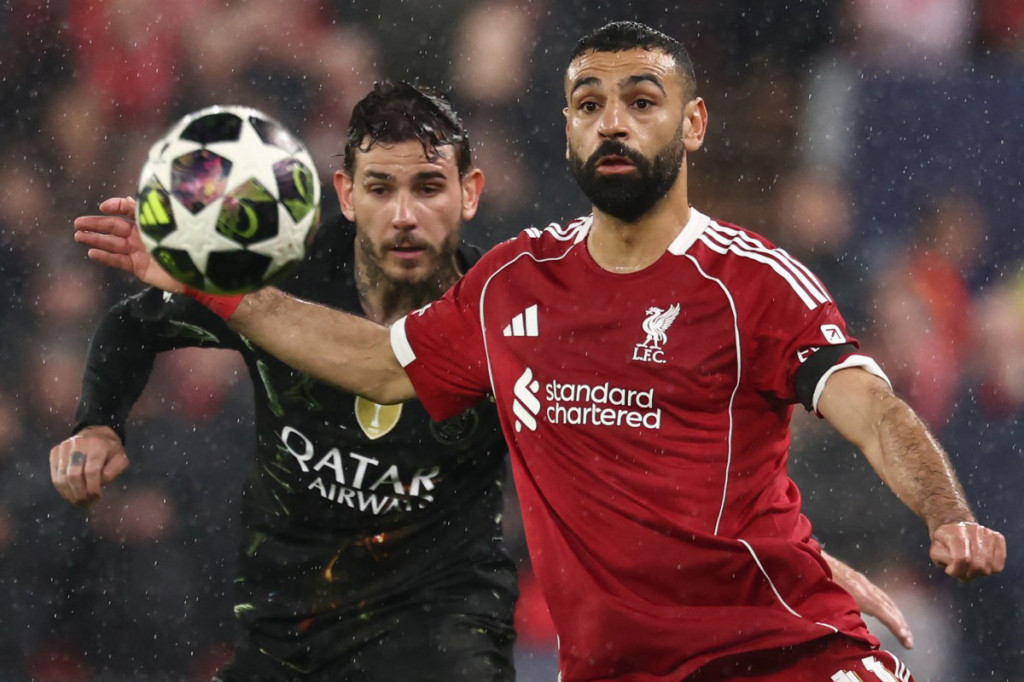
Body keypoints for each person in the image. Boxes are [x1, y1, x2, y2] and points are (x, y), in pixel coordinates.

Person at [67, 27, 978, 677]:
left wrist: (944, 515)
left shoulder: (755, 283)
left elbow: (873, 410)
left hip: (776, 655)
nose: (613, 122)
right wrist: (217, 287)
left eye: (641, 102)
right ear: (568, 128)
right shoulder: (512, 285)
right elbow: (382, 362)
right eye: (590, 105)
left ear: (694, 125)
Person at [51, 82, 516, 681]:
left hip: (444, 629)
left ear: (469, 192)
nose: (404, 216)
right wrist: (98, 423)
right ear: (346, 194)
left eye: (428, 187)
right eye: (380, 188)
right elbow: (133, 326)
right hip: (291, 632)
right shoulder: (282, 272)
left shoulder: (504, 311)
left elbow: (396, 365)